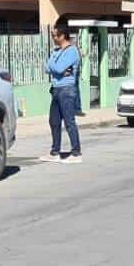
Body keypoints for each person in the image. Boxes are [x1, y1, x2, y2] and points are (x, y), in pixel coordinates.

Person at [44, 24, 82, 163]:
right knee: (54, 121)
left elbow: (57, 68)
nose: (53, 38)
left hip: (66, 89)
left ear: (62, 36)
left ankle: (76, 153)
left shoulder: (71, 51)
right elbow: (46, 67)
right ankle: (55, 151)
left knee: (69, 121)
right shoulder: (57, 51)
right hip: (56, 89)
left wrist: (55, 67)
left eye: (55, 35)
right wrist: (56, 68)